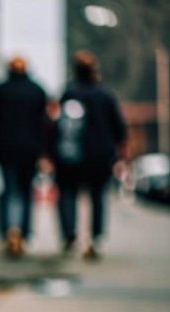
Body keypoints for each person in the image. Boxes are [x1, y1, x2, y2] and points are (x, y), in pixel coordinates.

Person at [53, 50, 127, 260]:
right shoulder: (105, 94)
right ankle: (96, 238)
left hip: (71, 155)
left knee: (67, 194)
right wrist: (120, 153)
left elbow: (58, 125)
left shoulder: (69, 93)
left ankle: (69, 234)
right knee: (98, 197)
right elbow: (118, 126)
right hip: (100, 156)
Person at [0, 56, 48, 257]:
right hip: (30, 150)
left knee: (8, 190)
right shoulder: (37, 91)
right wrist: (43, 153)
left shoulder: (0, 90)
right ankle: (24, 233)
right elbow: (44, 124)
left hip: (5, 149)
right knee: (26, 191)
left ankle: (8, 231)